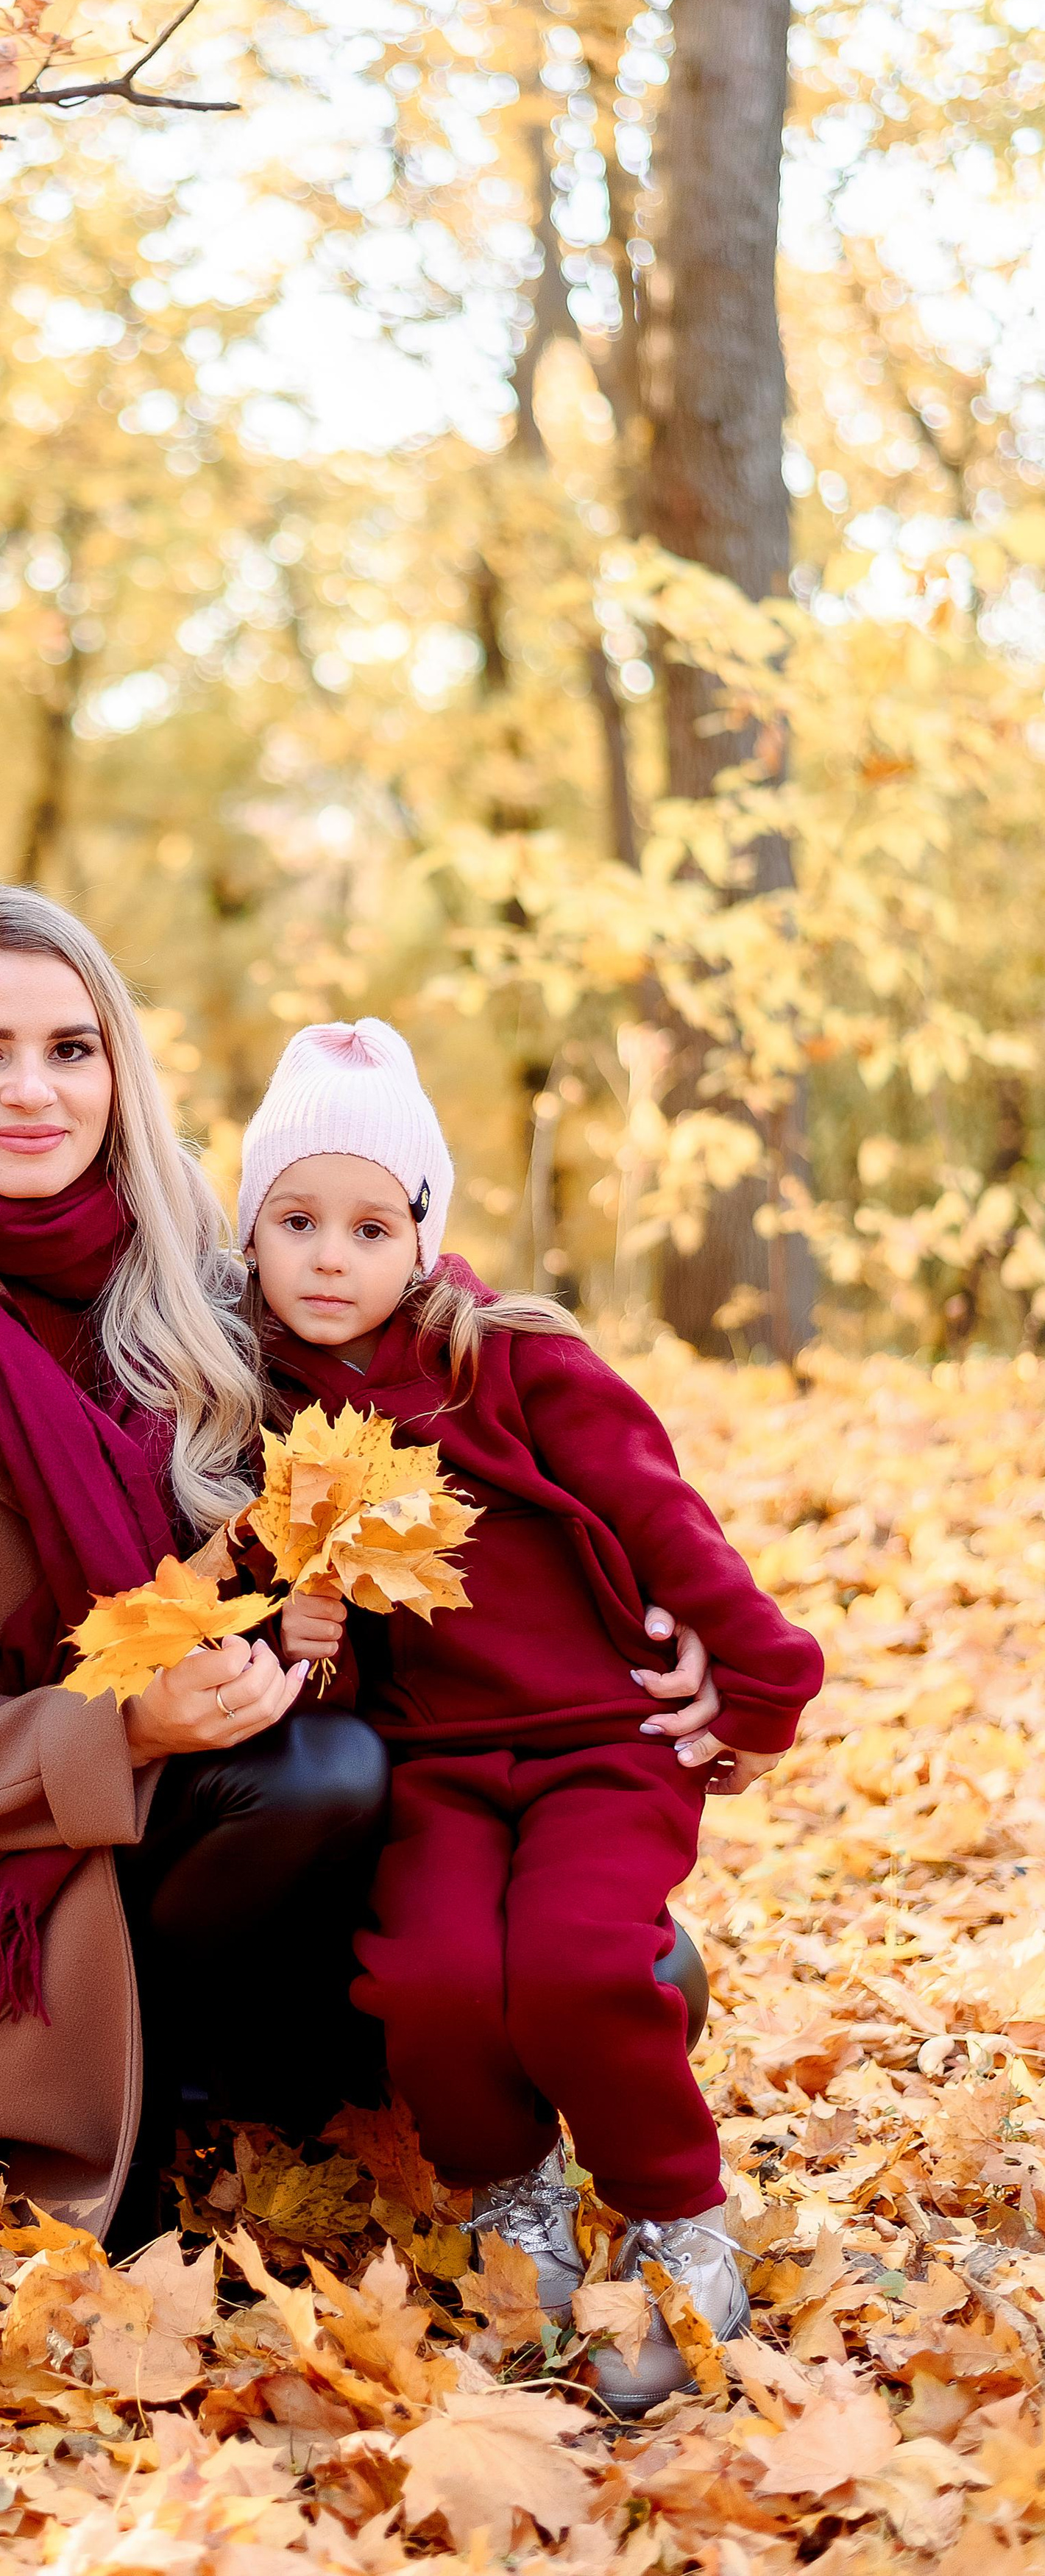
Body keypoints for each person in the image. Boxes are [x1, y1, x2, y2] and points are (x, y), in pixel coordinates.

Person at [0, 886, 394, 2247]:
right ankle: (177, 2125)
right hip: (12, 1898)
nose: (33, 1090)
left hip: (239, 1806)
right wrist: (125, 1728)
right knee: (316, 1777)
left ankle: (277, 2104)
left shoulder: (199, 1299)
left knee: (634, 1970)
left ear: (118, 1068)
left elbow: (420, 1370)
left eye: (71, 1047)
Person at [238, 1017, 824, 2414]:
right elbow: (269, 1600)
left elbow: (664, 1519)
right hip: (431, 1762)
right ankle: (516, 2198)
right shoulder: (258, 1402)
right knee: (430, 1980)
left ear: (423, 1235)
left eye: (371, 1228)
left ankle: (678, 2215)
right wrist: (291, 1630)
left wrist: (764, 1682)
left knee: (573, 1965)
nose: (331, 1258)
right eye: (297, 1222)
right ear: (249, 1231)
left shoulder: (512, 1361)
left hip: (603, 1744)